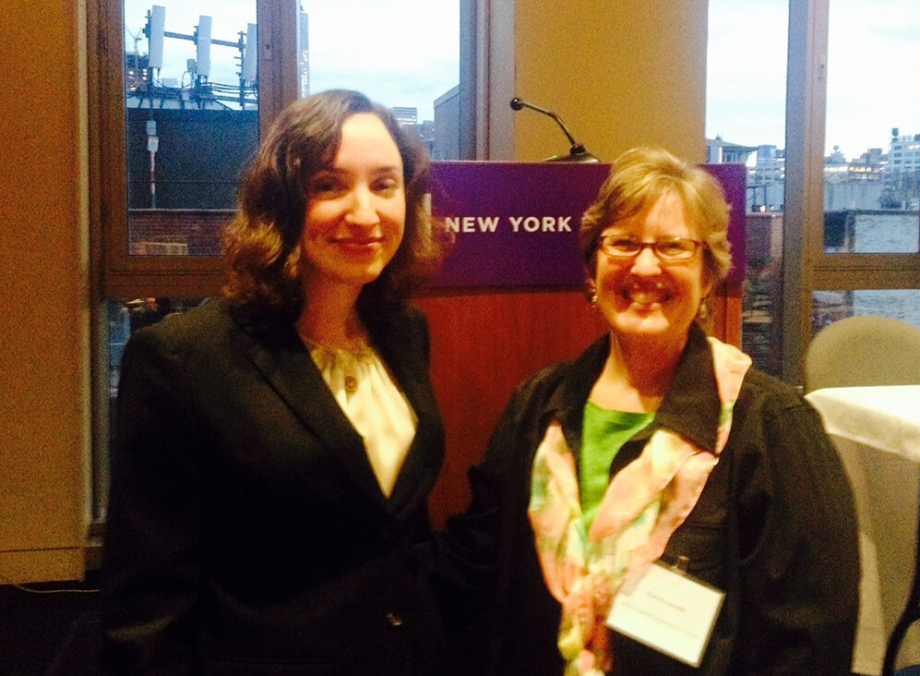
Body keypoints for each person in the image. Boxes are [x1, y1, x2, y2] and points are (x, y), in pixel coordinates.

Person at [444, 147, 860, 675]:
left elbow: (809, 646)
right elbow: (474, 576)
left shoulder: (772, 427)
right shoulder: (536, 408)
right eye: (622, 243)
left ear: (709, 275)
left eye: (672, 247)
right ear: (592, 270)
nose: (644, 266)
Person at [100, 89, 451, 674]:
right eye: (330, 185)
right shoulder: (182, 360)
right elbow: (145, 609)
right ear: (282, 204)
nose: (365, 213)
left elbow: (396, 527)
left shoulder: (403, 332)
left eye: (385, 185)